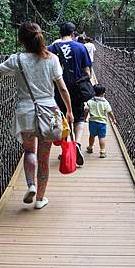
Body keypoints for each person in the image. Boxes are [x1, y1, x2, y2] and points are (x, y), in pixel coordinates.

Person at [0, 22, 74, 210]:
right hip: (49, 113)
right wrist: (69, 111)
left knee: (29, 152)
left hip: (25, 112)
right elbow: (62, 88)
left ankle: (31, 185)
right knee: (44, 158)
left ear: (20, 40)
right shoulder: (51, 58)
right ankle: (40, 200)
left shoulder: (16, 60)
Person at [48, 22, 92, 166]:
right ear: (73, 34)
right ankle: (77, 144)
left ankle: (66, 149)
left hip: (58, 88)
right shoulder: (81, 47)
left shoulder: (51, 49)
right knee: (79, 117)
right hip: (77, 88)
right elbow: (88, 72)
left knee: (62, 118)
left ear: (59, 34)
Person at [85, 84, 117, 158]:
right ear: (103, 93)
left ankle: (90, 147)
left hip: (92, 122)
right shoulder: (105, 103)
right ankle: (102, 151)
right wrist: (113, 119)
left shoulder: (90, 101)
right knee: (101, 137)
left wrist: (85, 118)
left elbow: (86, 110)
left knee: (92, 135)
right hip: (102, 123)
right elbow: (110, 112)